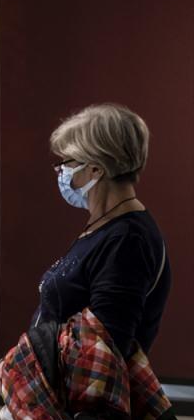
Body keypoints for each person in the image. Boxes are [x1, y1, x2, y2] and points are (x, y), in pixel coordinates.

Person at [37, 103, 170, 356]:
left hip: (81, 384)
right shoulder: (107, 225)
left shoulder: (127, 241)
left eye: (66, 163)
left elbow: (104, 349)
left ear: (96, 169)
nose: (61, 172)